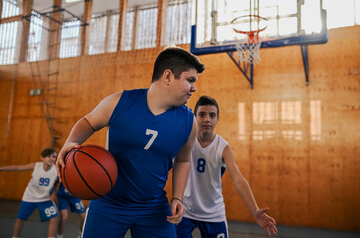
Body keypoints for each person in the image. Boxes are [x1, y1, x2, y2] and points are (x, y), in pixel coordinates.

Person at [55, 46, 205, 238]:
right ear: (168, 76)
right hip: (108, 204)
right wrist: (70, 142)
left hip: (153, 207)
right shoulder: (119, 102)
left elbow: (183, 160)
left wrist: (177, 197)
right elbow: (88, 122)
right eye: (190, 80)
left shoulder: (188, 121)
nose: (194, 88)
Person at [176, 96, 278, 238]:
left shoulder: (223, 148)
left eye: (212, 115)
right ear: (194, 117)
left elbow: (239, 180)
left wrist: (255, 210)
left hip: (214, 213)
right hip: (186, 211)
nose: (207, 119)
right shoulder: (185, 141)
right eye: (202, 114)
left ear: (218, 119)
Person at [0, 148, 59, 238]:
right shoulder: (36, 166)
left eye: (54, 156)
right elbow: (18, 168)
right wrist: (1, 169)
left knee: (54, 218)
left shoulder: (56, 170)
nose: (51, 158)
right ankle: (15, 237)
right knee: (20, 219)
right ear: (42, 158)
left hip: (44, 199)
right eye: (48, 156)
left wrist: (53, 193)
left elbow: (56, 182)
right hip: (30, 197)